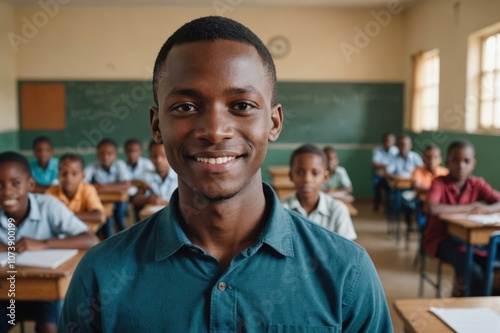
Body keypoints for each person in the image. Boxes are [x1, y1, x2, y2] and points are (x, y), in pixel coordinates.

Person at [59, 16, 392, 332]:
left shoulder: (346, 272)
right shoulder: (101, 274)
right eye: (186, 107)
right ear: (157, 126)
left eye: (242, 106)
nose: (215, 131)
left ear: (273, 123)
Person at [0, 151, 98, 333]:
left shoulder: (49, 205)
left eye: (16, 183)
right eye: (0, 185)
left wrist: (44, 243)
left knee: (50, 326)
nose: (7, 192)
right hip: (5, 291)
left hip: (44, 292)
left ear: (30, 184)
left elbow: (91, 239)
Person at [424, 140, 500, 296]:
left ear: (473, 163)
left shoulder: (477, 184)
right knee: (472, 271)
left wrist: (486, 209)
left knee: (492, 267)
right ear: (447, 163)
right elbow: (430, 207)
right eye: (455, 160)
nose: (461, 166)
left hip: (472, 242)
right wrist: (469, 208)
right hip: (441, 239)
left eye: (466, 161)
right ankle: (464, 305)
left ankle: (481, 302)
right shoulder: (439, 183)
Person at [283, 144, 357, 241]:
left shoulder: (338, 210)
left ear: (325, 177)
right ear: (291, 175)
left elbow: (348, 251)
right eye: (300, 172)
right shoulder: (281, 209)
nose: (307, 179)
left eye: (315, 173)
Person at [84, 138, 132, 237]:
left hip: (120, 200)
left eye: (110, 154)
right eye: (102, 154)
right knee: (105, 216)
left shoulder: (120, 165)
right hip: (102, 200)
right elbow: (82, 181)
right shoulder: (93, 166)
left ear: (116, 155)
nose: (105, 157)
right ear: (97, 155)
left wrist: (102, 187)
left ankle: (122, 235)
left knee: (119, 216)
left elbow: (126, 184)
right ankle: (106, 237)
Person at [45, 153, 105, 224]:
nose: (68, 179)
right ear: (58, 175)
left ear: (83, 176)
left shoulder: (87, 189)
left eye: (74, 174)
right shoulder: (51, 192)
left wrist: (67, 216)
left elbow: (99, 216)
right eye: (64, 174)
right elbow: (45, 216)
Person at [131, 140, 178, 209]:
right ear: (149, 157)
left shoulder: (179, 175)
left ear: (171, 156)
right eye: (154, 156)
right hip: (153, 215)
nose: (158, 160)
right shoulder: (145, 176)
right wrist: (149, 199)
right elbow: (136, 200)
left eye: (163, 156)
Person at [372, 132, 398, 212]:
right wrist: (388, 166)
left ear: (393, 141)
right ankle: (377, 204)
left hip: (392, 175)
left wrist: (386, 166)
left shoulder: (396, 150)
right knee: (377, 184)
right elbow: (374, 163)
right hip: (380, 175)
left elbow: (397, 164)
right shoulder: (377, 150)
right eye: (386, 140)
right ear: (383, 141)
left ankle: (389, 206)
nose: (388, 142)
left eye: (390, 140)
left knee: (390, 187)